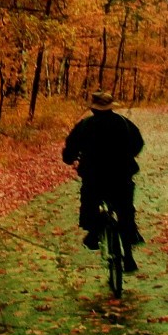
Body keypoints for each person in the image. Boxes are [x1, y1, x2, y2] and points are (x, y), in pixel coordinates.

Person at [62, 89, 145, 272]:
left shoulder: (84, 125)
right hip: (120, 176)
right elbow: (138, 142)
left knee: (89, 204)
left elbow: (69, 150)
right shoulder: (123, 123)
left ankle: (93, 233)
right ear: (110, 108)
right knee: (125, 210)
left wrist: (71, 159)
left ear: (93, 109)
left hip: (94, 177)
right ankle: (129, 255)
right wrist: (127, 156)